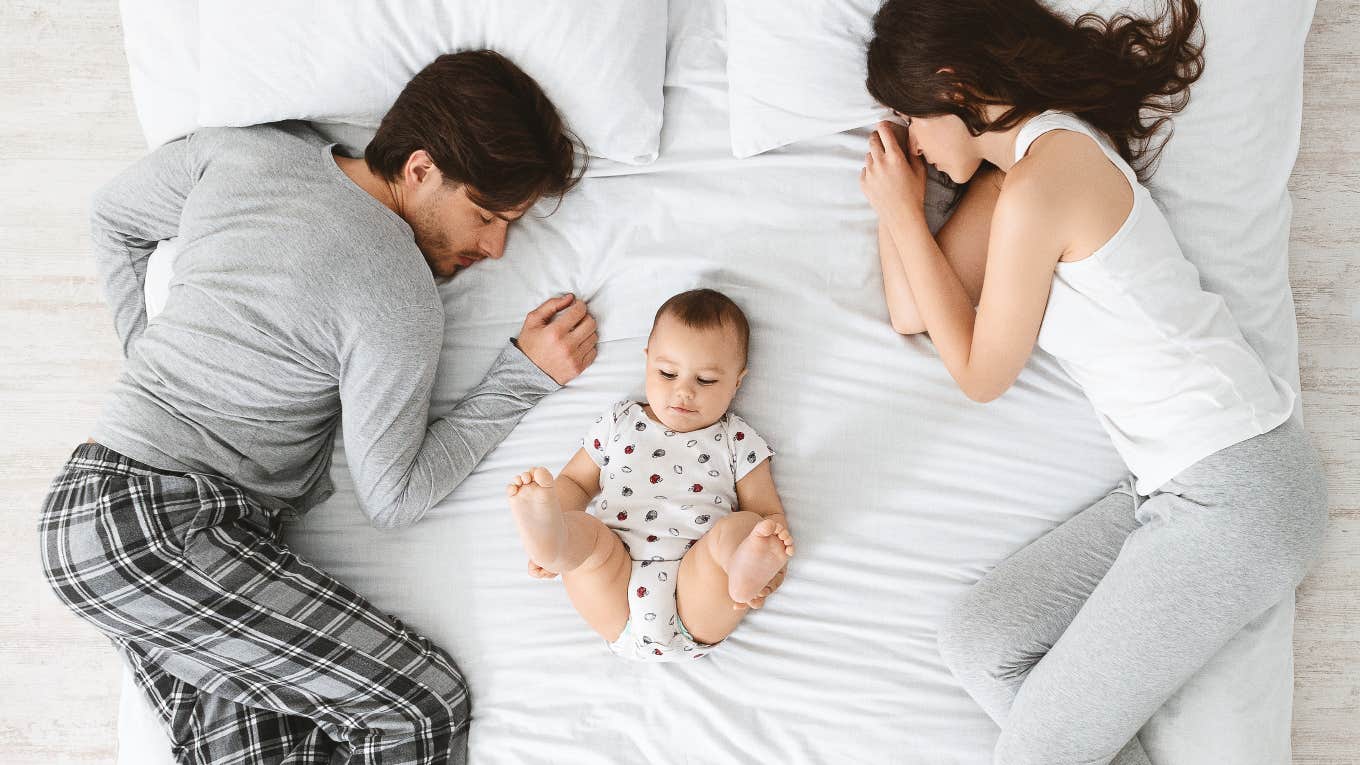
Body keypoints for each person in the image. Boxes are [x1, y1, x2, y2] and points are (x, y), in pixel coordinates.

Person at [39, 50, 595, 765]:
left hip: (105, 508)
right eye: (485, 215)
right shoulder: (396, 289)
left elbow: (113, 217)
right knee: (419, 706)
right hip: (159, 528)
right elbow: (393, 496)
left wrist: (147, 362)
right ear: (421, 169)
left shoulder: (244, 153)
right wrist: (521, 377)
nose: (493, 245)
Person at [859, 1, 1328, 763]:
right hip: (1178, 488)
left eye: (909, 116)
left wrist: (904, 219)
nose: (912, 138)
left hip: (1239, 487)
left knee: (1038, 753)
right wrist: (897, 207)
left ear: (950, 84)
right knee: (983, 639)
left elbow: (981, 374)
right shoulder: (1018, 179)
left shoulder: (1049, 177)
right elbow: (916, 308)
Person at [506, 289, 793, 661]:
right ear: (647, 362)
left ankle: (744, 571)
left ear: (737, 382)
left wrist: (766, 552)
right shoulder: (619, 422)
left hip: (697, 591)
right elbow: (575, 482)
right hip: (616, 582)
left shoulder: (737, 439)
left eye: (706, 380)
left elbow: (768, 515)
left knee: (741, 528)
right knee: (587, 534)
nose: (684, 391)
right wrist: (558, 517)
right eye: (668, 373)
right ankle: (553, 543)